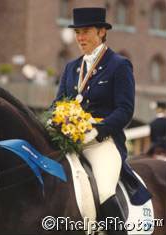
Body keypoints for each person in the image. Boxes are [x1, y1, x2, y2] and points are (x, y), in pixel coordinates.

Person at [54, 7, 151, 235]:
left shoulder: (119, 65)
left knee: (105, 190)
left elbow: (125, 109)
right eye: (77, 32)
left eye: (85, 31)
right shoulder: (71, 68)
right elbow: (57, 104)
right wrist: (53, 122)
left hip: (102, 142)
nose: (80, 37)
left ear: (101, 32)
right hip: (70, 142)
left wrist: (99, 129)